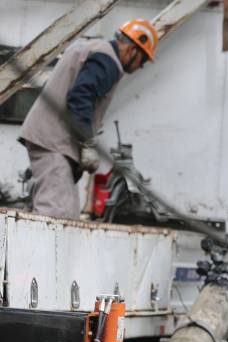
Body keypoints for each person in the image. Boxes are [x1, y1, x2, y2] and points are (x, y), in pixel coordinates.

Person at [19, 19, 158, 218]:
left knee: (67, 213)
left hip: (52, 140)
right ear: (133, 49)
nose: (140, 67)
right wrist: (87, 143)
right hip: (53, 141)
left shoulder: (95, 50)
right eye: (142, 61)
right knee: (55, 214)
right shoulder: (108, 59)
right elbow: (80, 97)